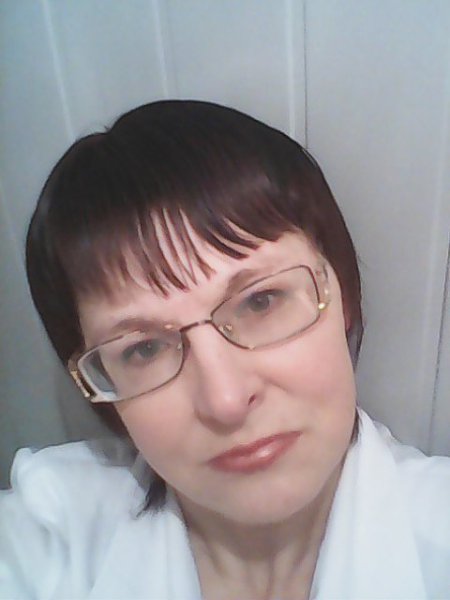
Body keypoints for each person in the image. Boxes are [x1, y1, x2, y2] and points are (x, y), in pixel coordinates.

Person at [1, 100, 449, 600]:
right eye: (144, 349)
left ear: (340, 292)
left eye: (261, 301)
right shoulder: (53, 532)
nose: (226, 401)